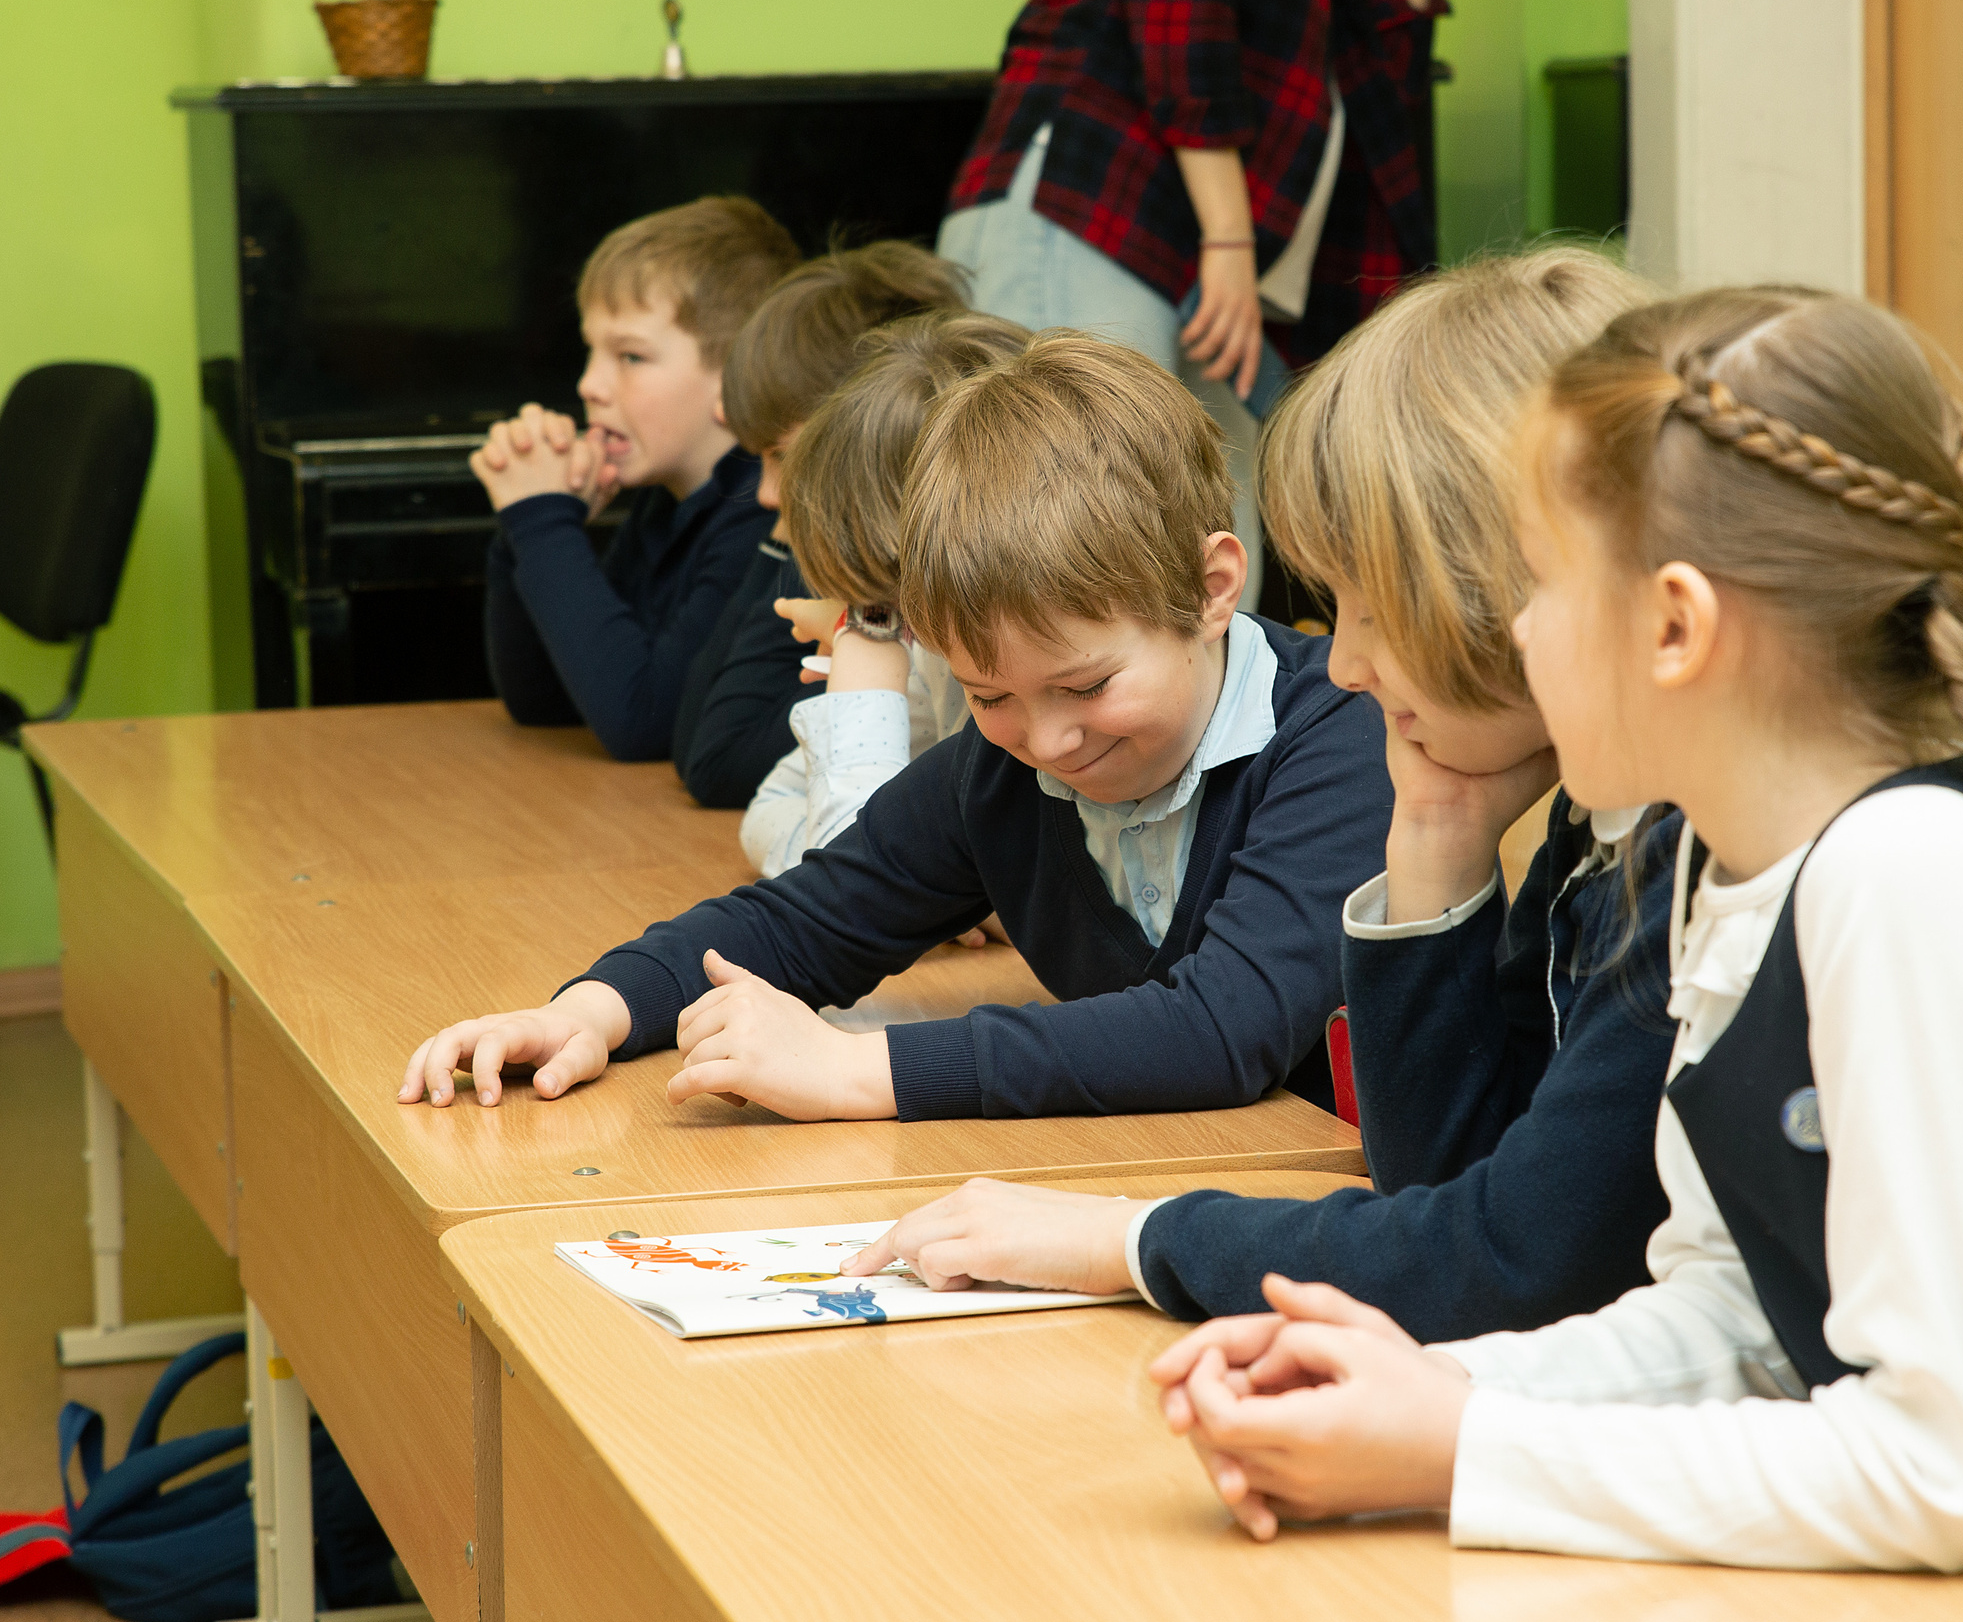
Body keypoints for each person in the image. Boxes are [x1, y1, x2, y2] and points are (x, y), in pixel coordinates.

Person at [1147, 289, 1963, 1622]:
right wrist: (1414, 1383)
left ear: (1675, 628)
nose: (1513, 636)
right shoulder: (1729, 866)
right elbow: (1735, 1321)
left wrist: (1466, 1445)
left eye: (1536, 582)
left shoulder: (1915, 882)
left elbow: (1961, 1478)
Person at [837, 250, 1672, 1341]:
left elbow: (1508, 1259)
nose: (1344, 664)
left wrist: (1122, 1240)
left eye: (1373, 607)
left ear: (1508, 587)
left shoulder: (1686, 855)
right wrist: (1436, 830)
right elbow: (1444, 1176)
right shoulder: (1594, 826)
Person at [398, 332, 1391, 1123]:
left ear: (1213, 588)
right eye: (989, 695)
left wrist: (857, 1070)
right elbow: (798, 922)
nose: (1045, 742)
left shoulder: (1339, 739)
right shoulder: (994, 776)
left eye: (1085, 686)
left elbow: (1219, 1034)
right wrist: (585, 1012)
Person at [937, 0, 1445, 604]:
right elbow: (1181, 19)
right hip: (1094, 199)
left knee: (1214, 545)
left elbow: (1379, 78)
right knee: (1058, 538)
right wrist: (1230, 239)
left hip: (1203, 241)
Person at [476, 196, 797, 760]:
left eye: (629, 357)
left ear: (736, 379)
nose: (588, 385)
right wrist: (525, 525)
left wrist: (543, 522)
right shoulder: (664, 500)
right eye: (591, 351)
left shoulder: (763, 511)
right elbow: (545, 701)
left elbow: (645, 723)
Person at [669, 241, 972, 808]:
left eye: (784, 457)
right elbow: (694, 746)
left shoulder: (914, 613)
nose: (761, 493)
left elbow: (720, 762)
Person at [738, 311, 1032, 879]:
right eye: (882, 610)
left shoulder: (1048, 677)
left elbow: (850, 881)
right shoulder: (925, 654)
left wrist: (863, 644)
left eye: (887, 602)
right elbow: (771, 812)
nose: (902, 627)